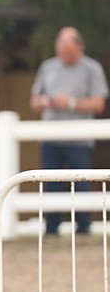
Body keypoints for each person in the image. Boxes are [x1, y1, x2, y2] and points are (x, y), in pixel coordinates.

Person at [30, 27, 108, 236]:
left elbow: (99, 104)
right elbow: (34, 101)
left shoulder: (92, 68)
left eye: (69, 52)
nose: (65, 56)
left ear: (80, 47)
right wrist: (46, 101)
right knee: (50, 185)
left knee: (81, 184)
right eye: (61, 51)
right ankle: (51, 229)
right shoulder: (48, 67)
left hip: (79, 139)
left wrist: (70, 103)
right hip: (51, 138)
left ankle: (84, 229)